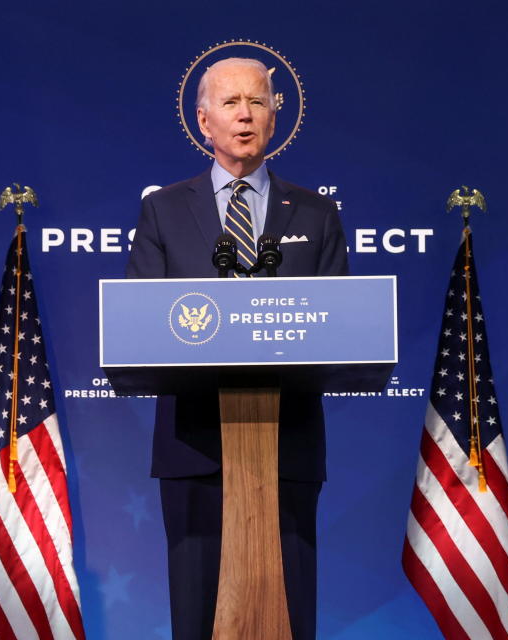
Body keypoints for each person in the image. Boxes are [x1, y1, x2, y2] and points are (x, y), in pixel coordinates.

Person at [126, 58, 349, 640]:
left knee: (290, 607)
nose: (245, 115)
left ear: (275, 119)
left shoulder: (318, 214)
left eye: (258, 102)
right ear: (204, 121)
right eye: (230, 104)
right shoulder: (164, 210)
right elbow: (143, 325)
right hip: (194, 445)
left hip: (289, 442)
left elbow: (340, 327)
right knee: (197, 610)